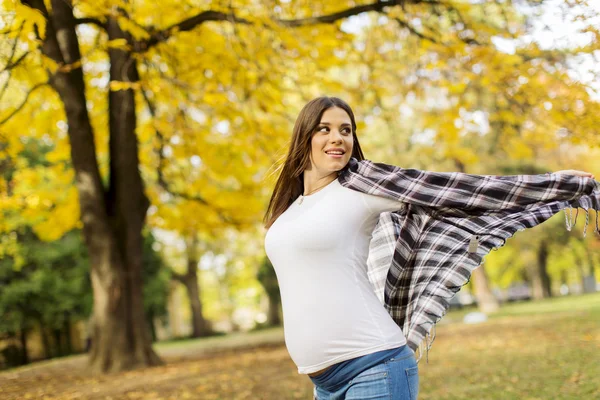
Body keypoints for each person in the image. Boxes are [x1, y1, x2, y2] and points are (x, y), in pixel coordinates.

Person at [263, 96, 597, 400]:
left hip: (374, 366)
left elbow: (460, 191)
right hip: (324, 386)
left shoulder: (361, 189)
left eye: (346, 130)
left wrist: (558, 184)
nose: (338, 138)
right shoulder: (289, 208)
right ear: (304, 135)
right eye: (325, 129)